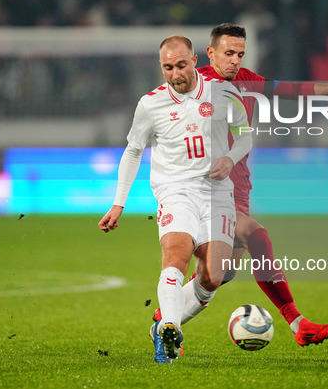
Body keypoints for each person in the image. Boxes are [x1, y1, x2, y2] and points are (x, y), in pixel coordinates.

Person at [154, 23, 328, 347]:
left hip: (239, 188)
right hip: (206, 191)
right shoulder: (193, 85)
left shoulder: (248, 81)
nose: (235, 61)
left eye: (240, 54)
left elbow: (293, 90)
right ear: (210, 53)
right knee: (256, 236)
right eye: (228, 53)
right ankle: (298, 323)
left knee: (220, 274)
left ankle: (164, 321)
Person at [98, 35, 252, 362]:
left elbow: (245, 136)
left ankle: (164, 327)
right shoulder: (150, 104)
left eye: (181, 65)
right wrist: (118, 203)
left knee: (214, 275)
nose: (175, 74)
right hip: (174, 190)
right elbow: (134, 151)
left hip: (216, 192)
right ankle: (170, 330)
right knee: (177, 254)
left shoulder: (224, 92)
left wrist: (230, 159)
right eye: (167, 67)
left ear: (195, 60)